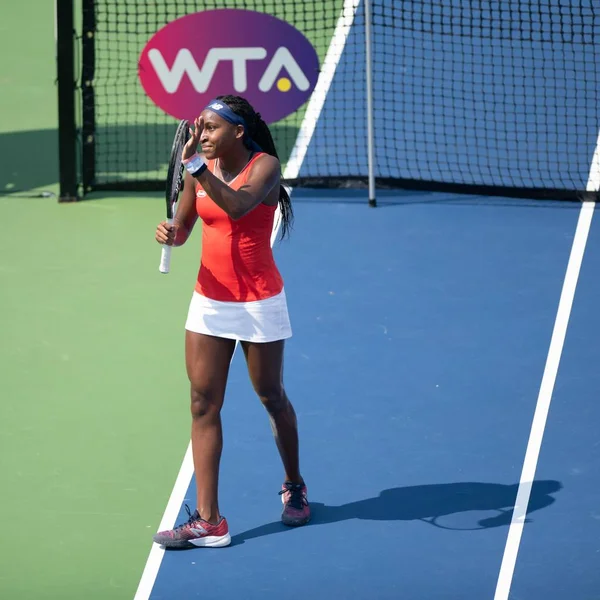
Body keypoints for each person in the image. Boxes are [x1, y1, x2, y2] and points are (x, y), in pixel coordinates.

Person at [152, 95, 309, 549]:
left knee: (271, 395)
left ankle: (294, 483)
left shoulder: (265, 167)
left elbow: (239, 207)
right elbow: (184, 228)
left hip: (259, 302)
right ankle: (209, 520)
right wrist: (172, 234)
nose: (201, 135)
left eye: (211, 129)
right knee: (203, 403)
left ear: (237, 132)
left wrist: (198, 169)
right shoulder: (197, 172)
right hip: (210, 301)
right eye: (199, 128)